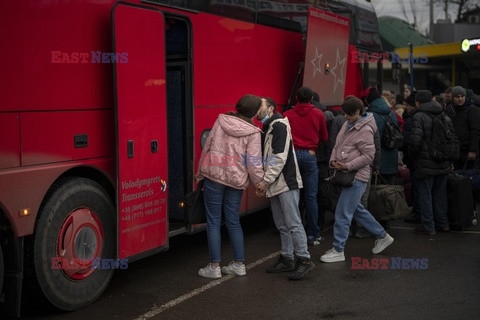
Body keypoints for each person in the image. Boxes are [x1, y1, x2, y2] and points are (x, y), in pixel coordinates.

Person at [196, 94, 264, 279]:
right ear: (254, 112)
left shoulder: (221, 121)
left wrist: (200, 172)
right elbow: (254, 162)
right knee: (233, 220)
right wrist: (259, 183)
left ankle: (214, 267)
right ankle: (239, 264)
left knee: (213, 222)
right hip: (236, 181)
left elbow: (207, 147)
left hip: (214, 177)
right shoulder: (253, 132)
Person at [320, 96, 394, 263]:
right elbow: (337, 146)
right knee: (355, 210)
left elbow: (368, 156)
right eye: (345, 114)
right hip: (350, 175)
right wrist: (334, 160)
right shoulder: (350, 124)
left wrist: (346, 166)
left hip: (355, 177)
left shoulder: (365, 129)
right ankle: (382, 236)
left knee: (343, 212)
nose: (345, 117)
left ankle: (338, 250)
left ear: (359, 112)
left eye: (349, 114)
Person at [255, 98, 315, 280]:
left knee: (293, 223)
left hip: (285, 182)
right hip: (277, 182)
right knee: (282, 224)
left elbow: (279, 157)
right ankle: (288, 258)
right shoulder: (270, 127)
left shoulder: (279, 126)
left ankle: (304, 259)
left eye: (261, 106)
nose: (258, 110)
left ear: (271, 108)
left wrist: (265, 181)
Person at [284, 87, 328, 246]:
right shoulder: (318, 114)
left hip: (292, 156)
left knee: (293, 197)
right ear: (311, 98)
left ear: (296, 98)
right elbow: (324, 137)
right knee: (311, 197)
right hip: (310, 155)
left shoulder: (287, 115)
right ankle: (313, 233)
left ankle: (294, 232)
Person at [407, 90, 452, 235]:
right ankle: (443, 223)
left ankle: (428, 226)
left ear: (418, 102)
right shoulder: (443, 114)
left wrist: (410, 158)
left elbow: (415, 141)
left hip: (425, 163)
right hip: (442, 162)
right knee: (440, 194)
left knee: (425, 194)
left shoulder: (418, 116)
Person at [365, 87, 399, 184]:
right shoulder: (392, 113)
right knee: (389, 193)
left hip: (378, 161)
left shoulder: (370, 116)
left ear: (368, 101)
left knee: (377, 194)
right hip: (392, 158)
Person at [445, 86, 480, 170]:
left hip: (467, 151)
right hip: (454, 151)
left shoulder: (472, 110)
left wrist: (473, 150)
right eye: (457, 97)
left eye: (462, 96)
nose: (460, 99)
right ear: (453, 98)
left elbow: (475, 131)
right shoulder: (450, 109)